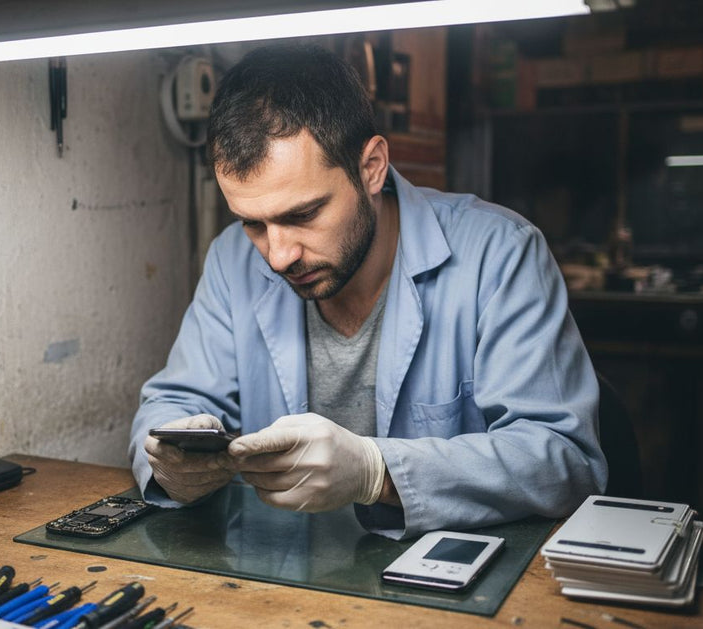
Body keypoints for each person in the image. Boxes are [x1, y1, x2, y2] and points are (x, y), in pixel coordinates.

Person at [128, 43, 606, 540]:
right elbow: (171, 405)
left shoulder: (499, 254)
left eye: (303, 214)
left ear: (372, 166)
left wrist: (377, 471)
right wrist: (170, 462)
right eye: (252, 222)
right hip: (279, 567)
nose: (278, 256)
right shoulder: (233, 261)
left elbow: (564, 459)